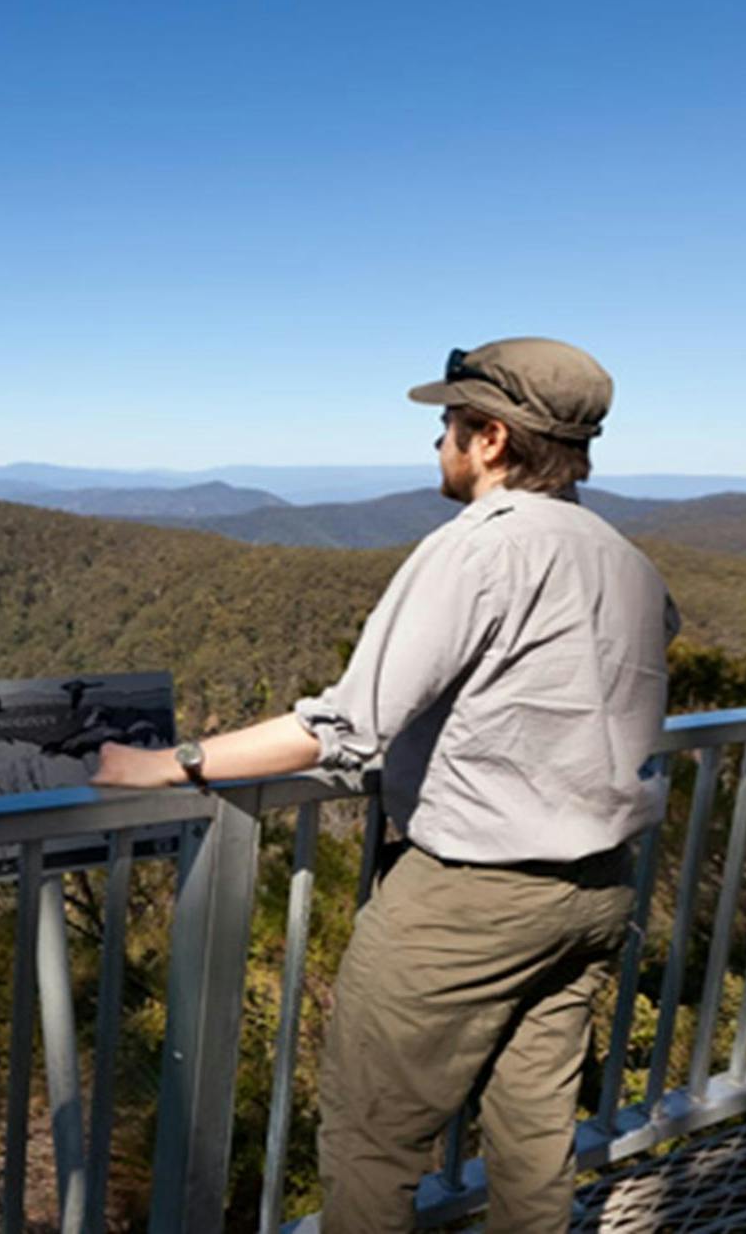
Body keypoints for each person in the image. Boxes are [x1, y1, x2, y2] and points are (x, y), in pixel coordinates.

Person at [93, 338, 677, 1233]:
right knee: (532, 1133)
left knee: (372, 1146)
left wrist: (170, 763)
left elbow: (347, 722)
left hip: (469, 899)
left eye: (447, 423)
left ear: (488, 438)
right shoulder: (626, 562)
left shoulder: (478, 552)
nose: (435, 442)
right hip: (594, 891)